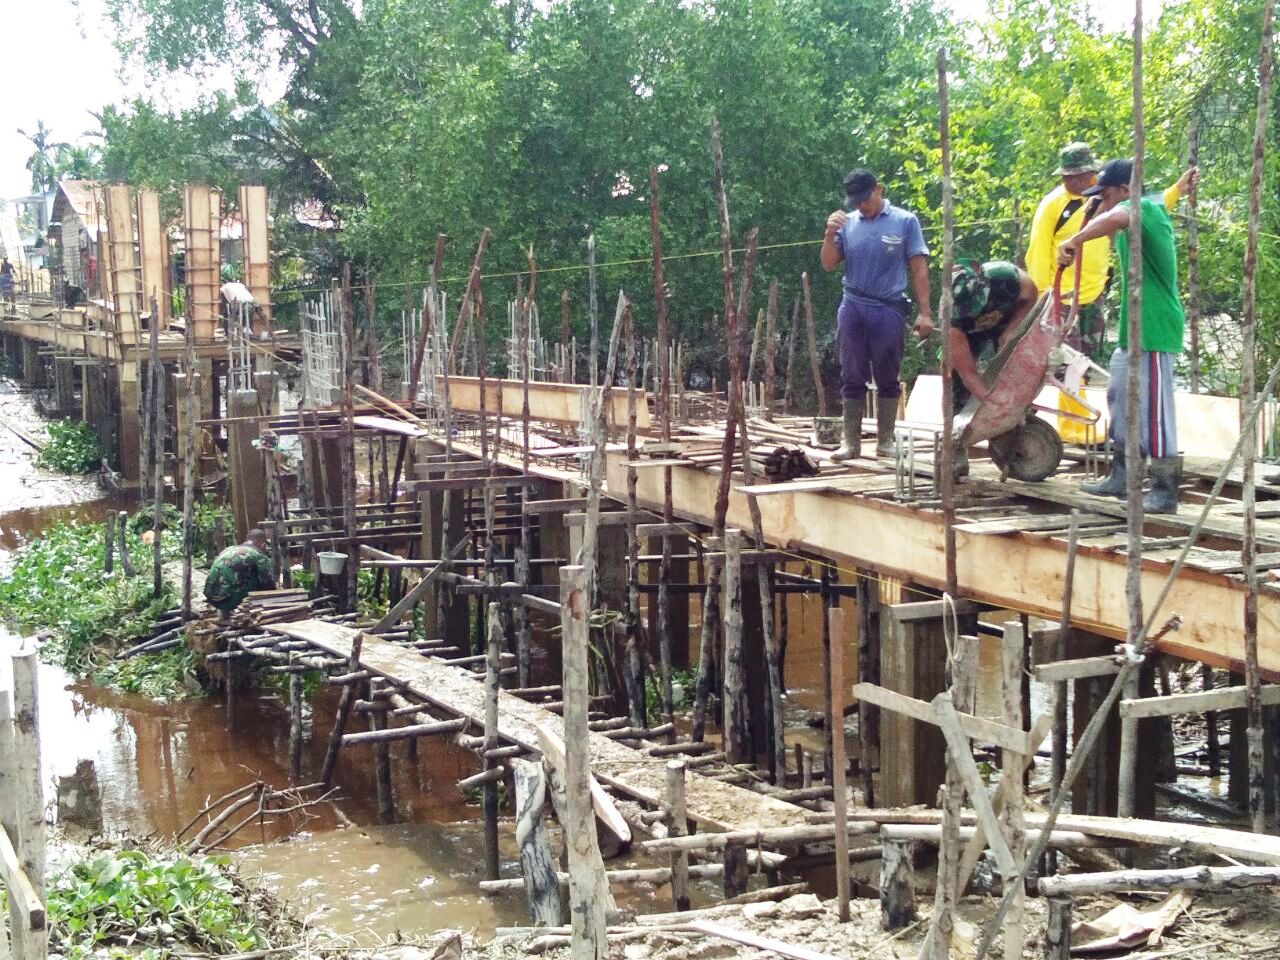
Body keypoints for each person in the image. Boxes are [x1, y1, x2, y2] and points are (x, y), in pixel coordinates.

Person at [1057, 158, 1186, 514]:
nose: (1104, 201)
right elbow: (1113, 214)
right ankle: (1122, 473)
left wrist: (1075, 238)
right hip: (1133, 328)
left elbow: (1119, 215)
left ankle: (1163, 489)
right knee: (1120, 399)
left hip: (1156, 328)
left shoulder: (1143, 209)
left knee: (1155, 410)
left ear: (1126, 191)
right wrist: (1093, 207)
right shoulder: (1134, 212)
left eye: (1108, 193)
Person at [1026, 141, 1197, 359]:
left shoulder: (1105, 195)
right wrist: (1042, 296)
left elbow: (1142, 207)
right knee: (1063, 362)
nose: (1072, 180)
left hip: (1093, 294)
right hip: (1063, 298)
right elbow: (1037, 252)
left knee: (1085, 362)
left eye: (1079, 175)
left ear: (1091, 172)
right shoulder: (1053, 204)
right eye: (1066, 176)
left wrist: (1177, 190)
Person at [820, 169, 933, 460]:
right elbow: (828, 264)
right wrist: (830, 233)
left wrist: (925, 313)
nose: (861, 205)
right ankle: (851, 443)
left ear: (879, 189)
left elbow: (919, 268)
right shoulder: (847, 224)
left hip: (888, 307)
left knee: (888, 373)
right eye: (855, 200)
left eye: (866, 198)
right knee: (851, 372)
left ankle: (885, 440)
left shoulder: (905, 221)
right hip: (853, 306)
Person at [204, 528, 277, 618]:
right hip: (228, 600)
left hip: (211, 597)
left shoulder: (228, 550)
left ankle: (225, 613)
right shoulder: (258, 556)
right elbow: (268, 585)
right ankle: (253, 614)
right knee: (258, 579)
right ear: (263, 545)